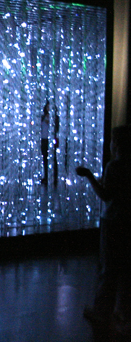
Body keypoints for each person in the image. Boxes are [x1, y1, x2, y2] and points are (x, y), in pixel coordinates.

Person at [77, 125, 131, 333]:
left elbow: (105, 195)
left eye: (112, 140)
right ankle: (123, 312)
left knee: (108, 267)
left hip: (113, 222)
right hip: (127, 222)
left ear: (116, 144)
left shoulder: (114, 166)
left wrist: (89, 176)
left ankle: (101, 312)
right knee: (125, 268)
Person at [40, 100, 50, 185]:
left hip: (50, 140)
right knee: (45, 158)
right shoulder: (42, 117)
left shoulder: (54, 118)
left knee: (52, 159)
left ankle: (52, 177)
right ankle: (46, 176)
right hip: (44, 139)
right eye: (48, 107)